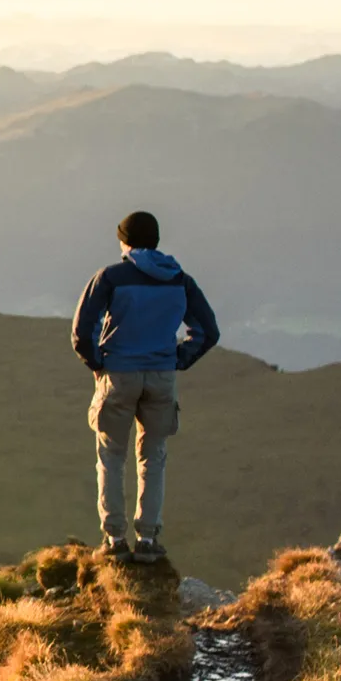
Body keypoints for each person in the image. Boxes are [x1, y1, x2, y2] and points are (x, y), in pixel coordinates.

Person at [71, 211, 220, 563]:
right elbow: (207, 332)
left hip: (119, 375)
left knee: (111, 455)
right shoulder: (180, 281)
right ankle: (149, 541)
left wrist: (98, 364)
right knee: (153, 458)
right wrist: (176, 359)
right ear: (155, 240)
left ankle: (115, 539)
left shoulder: (110, 277)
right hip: (161, 376)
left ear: (124, 241)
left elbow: (82, 332)